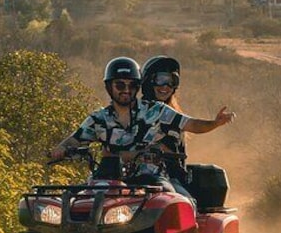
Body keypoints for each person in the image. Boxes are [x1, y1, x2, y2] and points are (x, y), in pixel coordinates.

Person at [50, 56, 235, 191]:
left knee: (180, 205)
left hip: (152, 181)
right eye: (120, 85)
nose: (126, 90)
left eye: (131, 85)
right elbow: (73, 140)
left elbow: (192, 124)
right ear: (109, 87)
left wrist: (214, 123)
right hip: (107, 182)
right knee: (70, 206)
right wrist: (60, 150)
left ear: (138, 87)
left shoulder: (156, 110)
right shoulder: (98, 119)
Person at [140, 55, 192, 200]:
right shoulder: (134, 113)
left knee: (187, 204)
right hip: (135, 178)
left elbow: (179, 160)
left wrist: (215, 122)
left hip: (168, 180)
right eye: (161, 79)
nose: (166, 86)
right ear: (148, 81)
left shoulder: (176, 117)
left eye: (172, 81)